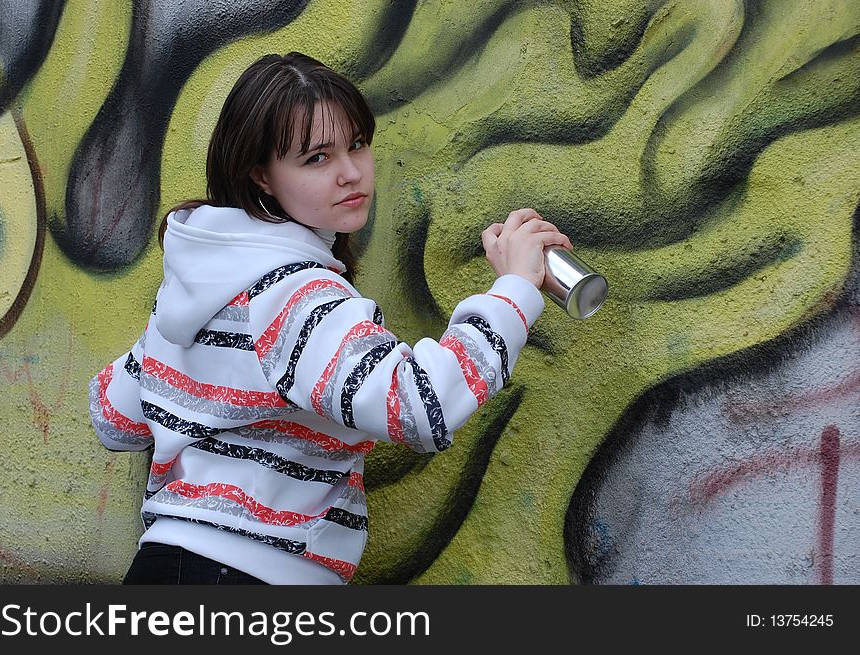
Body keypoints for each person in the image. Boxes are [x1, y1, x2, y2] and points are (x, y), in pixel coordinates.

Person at [89, 52, 572, 585]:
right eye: (316, 157)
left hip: (164, 565)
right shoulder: (296, 293)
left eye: (357, 145)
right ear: (261, 175)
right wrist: (515, 291)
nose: (350, 173)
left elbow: (115, 416)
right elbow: (418, 406)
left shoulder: (200, 286)